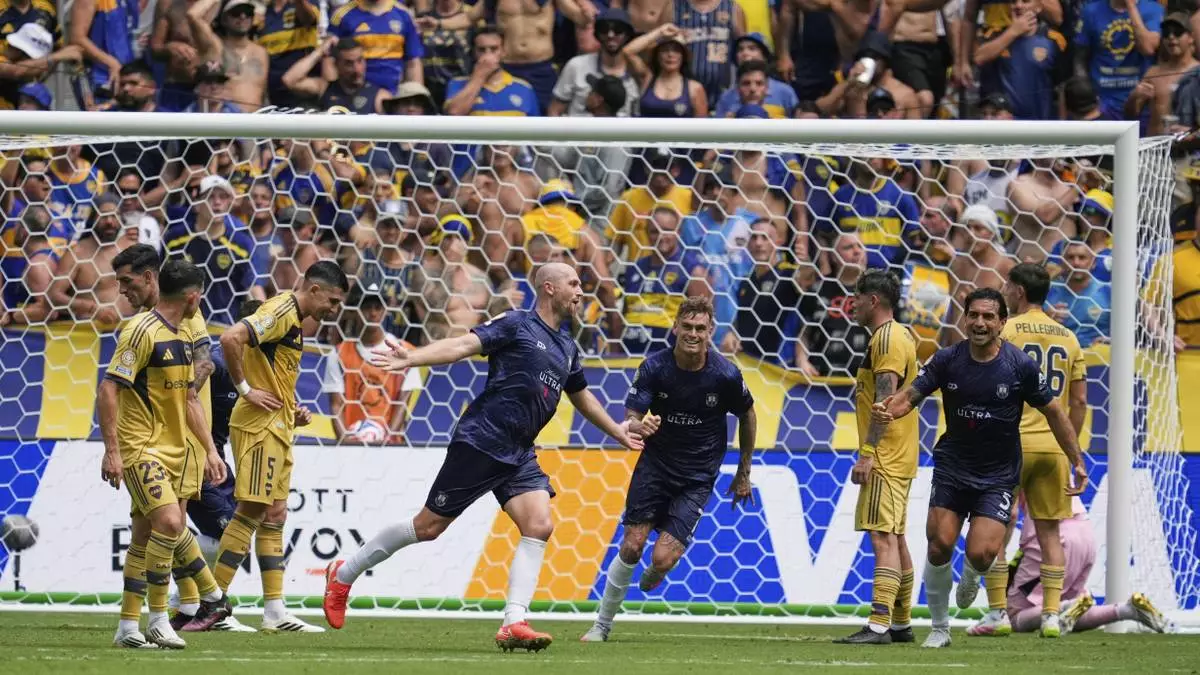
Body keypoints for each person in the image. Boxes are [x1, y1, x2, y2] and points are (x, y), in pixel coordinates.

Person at [323, 262, 643, 651]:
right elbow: (461, 345)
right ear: (549, 288)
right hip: (483, 440)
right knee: (427, 527)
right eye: (573, 284)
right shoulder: (516, 324)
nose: (580, 292)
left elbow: (581, 396)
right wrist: (412, 358)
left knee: (539, 524)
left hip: (520, 452)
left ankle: (514, 622)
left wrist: (617, 430)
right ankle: (344, 573)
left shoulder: (567, 347)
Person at [872, 288, 1087, 647]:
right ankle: (940, 629)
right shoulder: (947, 360)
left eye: (989, 316)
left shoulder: (1020, 366)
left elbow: (1055, 412)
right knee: (939, 545)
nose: (980, 323)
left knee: (982, 552)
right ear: (964, 319)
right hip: (953, 466)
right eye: (974, 315)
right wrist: (888, 410)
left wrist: (1077, 460)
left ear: (1003, 322)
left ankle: (974, 573)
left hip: (998, 475)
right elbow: (911, 396)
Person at [581, 296, 755, 642]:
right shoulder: (654, 368)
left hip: (697, 476)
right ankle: (601, 626)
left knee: (660, 558)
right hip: (656, 468)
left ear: (710, 332)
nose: (692, 334)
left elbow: (747, 415)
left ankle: (659, 569)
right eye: (686, 327)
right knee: (632, 546)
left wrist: (743, 471)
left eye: (700, 329)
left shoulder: (724, 375)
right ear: (675, 327)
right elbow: (630, 418)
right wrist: (637, 426)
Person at [210, 261, 348, 633]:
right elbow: (230, 339)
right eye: (332, 300)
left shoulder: (295, 320)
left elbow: (270, 371)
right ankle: (212, 605)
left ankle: (274, 610)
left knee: (275, 515)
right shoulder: (281, 309)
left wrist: (291, 409)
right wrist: (245, 390)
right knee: (250, 511)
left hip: (280, 426)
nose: (334, 310)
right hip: (258, 427)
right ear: (314, 289)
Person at [98, 260, 230, 649]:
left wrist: (209, 449)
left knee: (143, 539)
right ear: (192, 297)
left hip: (176, 450)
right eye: (200, 297)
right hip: (141, 448)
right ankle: (160, 618)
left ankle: (127, 627)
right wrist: (112, 452)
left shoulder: (185, 337)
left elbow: (189, 398)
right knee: (172, 524)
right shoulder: (139, 331)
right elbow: (108, 389)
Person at [962, 263, 1088, 637]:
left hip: (1009, 444)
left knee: (995, 527)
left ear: (1017, 291)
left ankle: (997, 613)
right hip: (1052, 448)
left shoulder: (1006, 330)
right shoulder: (1069, 337)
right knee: (1049, 532)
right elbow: (1079, 402)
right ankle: (1051, 615)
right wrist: (1068, 447)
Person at [835, 271, 920, 644]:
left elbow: (885, 401)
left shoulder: (886, 339)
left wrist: (868, 453)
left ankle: (879, 623)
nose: (851, 304)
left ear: (872, 300)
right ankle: (900, 623)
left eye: (856, 297)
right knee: (897, 538)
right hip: (901, 451)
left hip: (885, 454)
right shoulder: (900, 334)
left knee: (882, 538)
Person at [1009, 496, 1170, 635]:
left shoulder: (1020, 461)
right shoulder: (1062, 460)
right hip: (1085, 535)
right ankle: (1127, 610)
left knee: (1011, 615)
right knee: (1069, 613)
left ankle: (1067, 606)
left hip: (1052, 539)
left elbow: (1012, 514)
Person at [162, 175, 260, 326]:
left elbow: (252, 288)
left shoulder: (241, 244)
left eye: (223, 197)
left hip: (223, 330)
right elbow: (159, 286)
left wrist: (265, 323)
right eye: (210, 197)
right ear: (197, 204)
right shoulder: (174, 240)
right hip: (181, 329)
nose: (217, 202)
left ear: (229, 203)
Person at [187, 0, 270, 111]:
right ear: (224, 19)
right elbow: (192, 15)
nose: (242, 16)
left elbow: (263, 93)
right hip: (224, 120)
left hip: (255, 122)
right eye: (236, 13)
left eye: (248, 12)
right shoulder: (215, 46)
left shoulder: (261, 52)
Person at [328, 0, 424, 93]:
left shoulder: (403, 14)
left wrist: (416, 95)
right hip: (354, 97)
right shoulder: (341, 16)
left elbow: (413, 63)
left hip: (394, 97)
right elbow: (329, 60)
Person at [282, 36, 386, 115]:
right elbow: (289, 80)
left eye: (360, 61)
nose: (357, 69)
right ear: (336, 65)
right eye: (349, 63)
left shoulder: (379, 96)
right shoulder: (324, 88)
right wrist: (320, 51)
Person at [69, 0, 134, 107]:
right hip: (100, 79)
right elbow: (77, 39)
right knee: (101, 122)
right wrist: (111, 63)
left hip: (126, 75)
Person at [1045, 242, 1111, 348]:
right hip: (1059, 356)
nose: (1076, 263)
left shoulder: (1108, 291)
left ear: (1093, 262)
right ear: (1062, 262)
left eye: (1082, 258)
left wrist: (1110, 340)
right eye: (1070, 257)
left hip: (1099, 358)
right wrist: (1045, 320)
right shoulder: (1046, 290)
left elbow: (1125, 329)